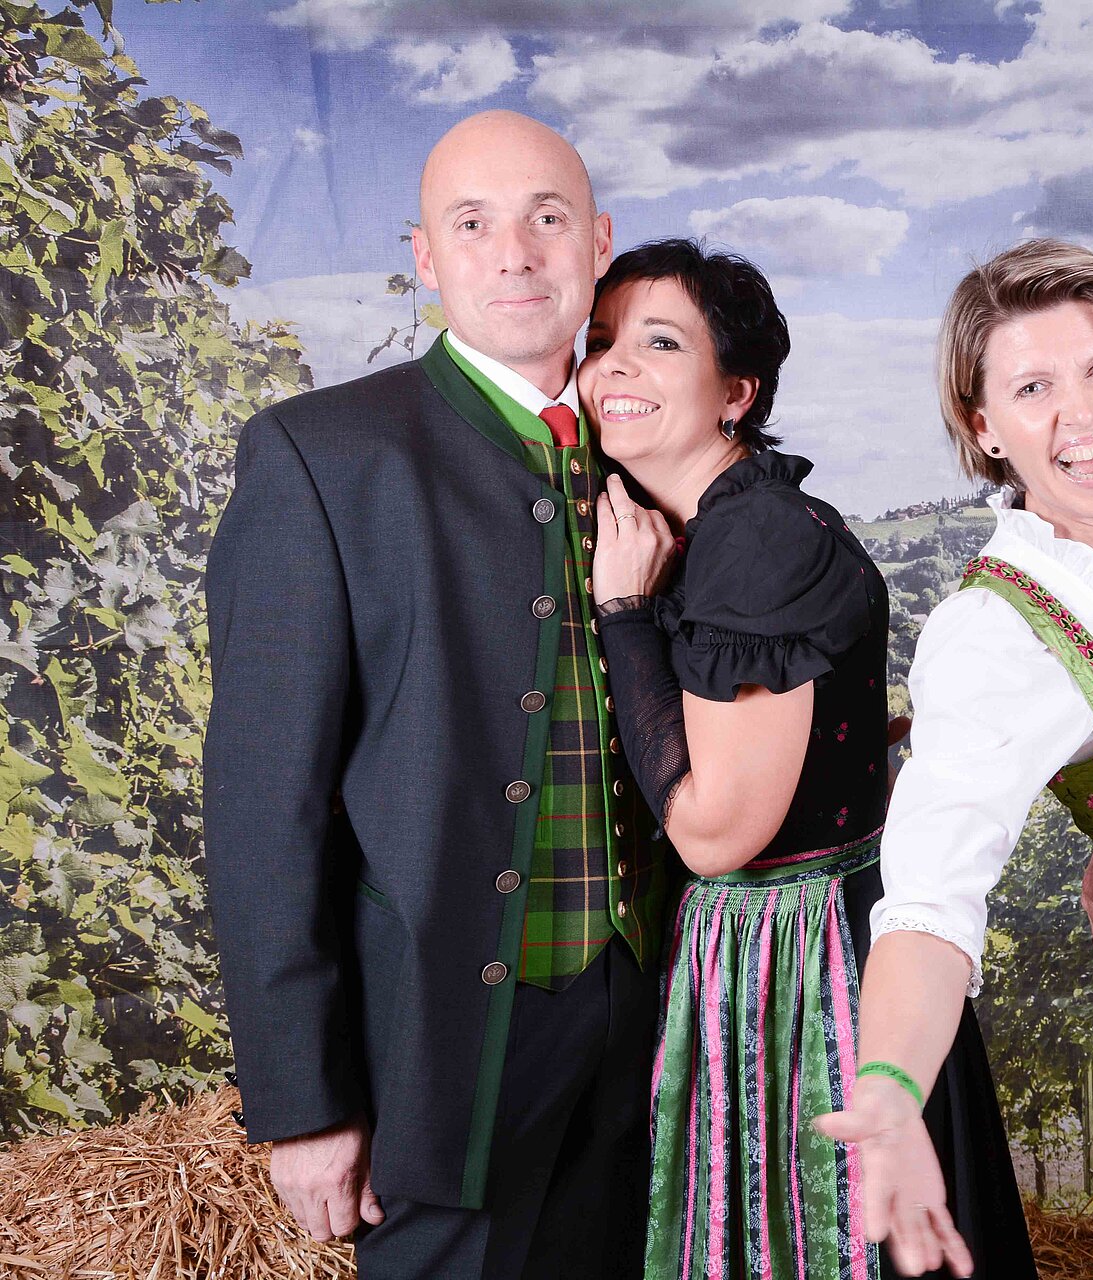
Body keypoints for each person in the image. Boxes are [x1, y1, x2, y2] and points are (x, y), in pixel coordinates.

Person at [204, 111, 672, 1278]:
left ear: (598, 241)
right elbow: (264, 807)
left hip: (651, 1031)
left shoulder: (660, 453)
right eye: (472, 224)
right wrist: (304, 1100)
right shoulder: (321, 456)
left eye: (547, 218)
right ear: (426, 257)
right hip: (440, 1048)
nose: (514, 253)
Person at [582, 238, 1033, 1280]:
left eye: (661, 342)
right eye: (601, 342)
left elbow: (714, 833)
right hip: (793, 934)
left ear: (737, 392)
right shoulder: (720, 519)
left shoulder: (756, 538)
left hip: (801, 954)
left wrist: (626, 614)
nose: (617, 366)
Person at [816, 239, 1093, 1280]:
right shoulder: (994, 631)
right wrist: (892, 1084)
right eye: (1032, 387)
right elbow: (931, 895)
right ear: (983, 425)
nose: (1080, 413)